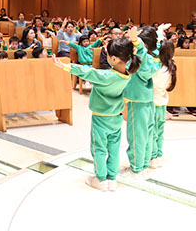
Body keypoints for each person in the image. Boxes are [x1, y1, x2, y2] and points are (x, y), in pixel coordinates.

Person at [52, 36, 140, 191]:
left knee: (99, 148)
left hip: (101, 118)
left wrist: (65, 66)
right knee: (114, 148)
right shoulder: (129, 73)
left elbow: (88, 72)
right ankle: (112, 178)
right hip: (116, 117)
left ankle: (100, 179)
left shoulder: (106, 76)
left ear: (114, 59)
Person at [122, 26, 160, 178]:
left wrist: (136, 41)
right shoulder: (154, 59)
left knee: (137, 136)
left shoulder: (142, 59)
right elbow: (156, 48)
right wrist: (159, 33)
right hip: (148, 100)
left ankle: (136, 168)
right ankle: (144, 164)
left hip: (137, 101)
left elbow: (142, 52)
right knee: (147, 134)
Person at [150, 41, 176, 169]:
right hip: (163, 101)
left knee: (153, 132)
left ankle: (154, 157)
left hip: (154, 101)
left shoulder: (158, 68)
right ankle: (159, 154)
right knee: (160, 131)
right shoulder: (170, 66)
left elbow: (151, 82)